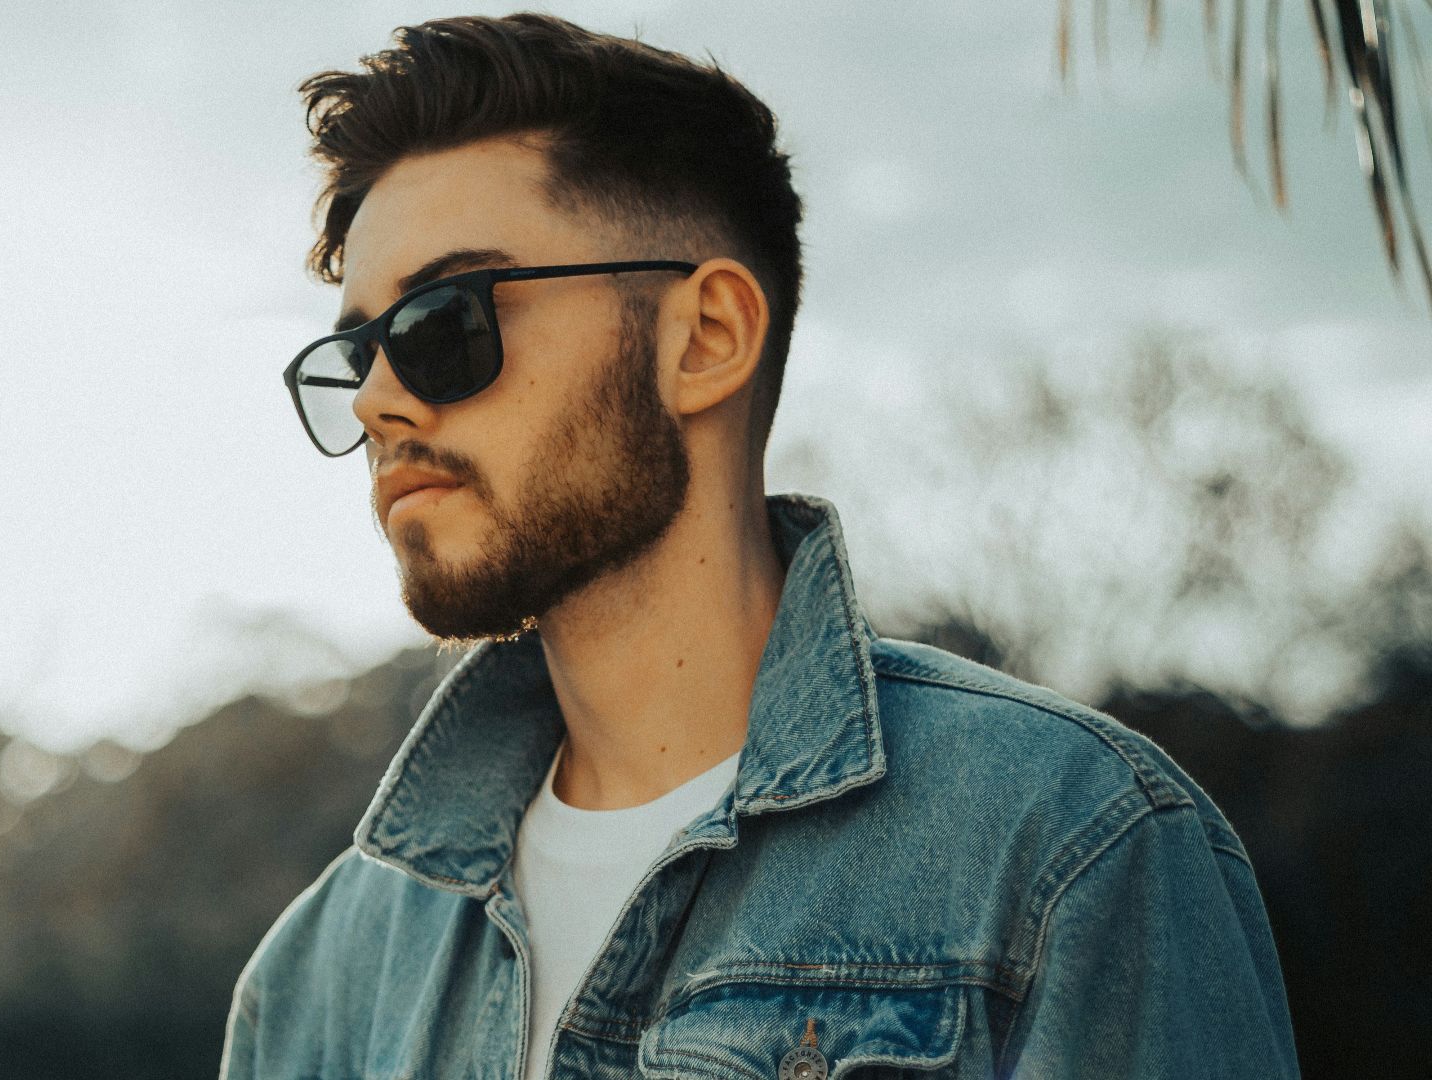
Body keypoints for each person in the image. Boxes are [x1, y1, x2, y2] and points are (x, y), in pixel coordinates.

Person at [224, 13, 1299, 1080]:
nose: (376, 402)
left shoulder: (1066, 850)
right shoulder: (322, 976)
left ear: (707, 339)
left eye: (440, 323)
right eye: (354, 351)